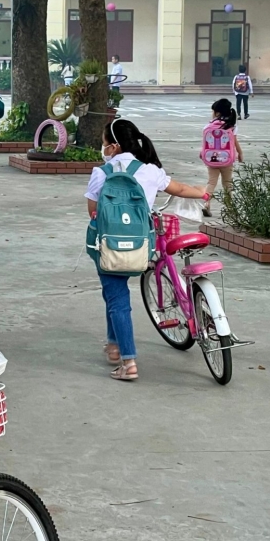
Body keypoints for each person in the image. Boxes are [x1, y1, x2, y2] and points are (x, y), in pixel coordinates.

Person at [85, 119, 210, 382]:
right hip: (144, 247)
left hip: (110, 248)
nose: (103, 147)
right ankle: (114, 344)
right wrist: (202, 194)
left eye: (105, 142)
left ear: (114, 146)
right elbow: (180, 189)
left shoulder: (101, 172)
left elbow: (93, 212)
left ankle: (127, 361)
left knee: (116, 296)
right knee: (115, 297)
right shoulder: (150, 171)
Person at [201, 99, 243, 218]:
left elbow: (205, 143)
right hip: (227, 160)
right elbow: (235, 142)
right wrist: (240, 153)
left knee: (211, 182)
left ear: (217, 113)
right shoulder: (231, 126)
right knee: (227, 184)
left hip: (211, 159)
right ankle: (230, 208)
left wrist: (202, 154)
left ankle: (206, 204)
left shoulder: (208, 126)